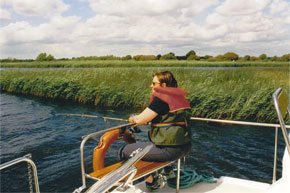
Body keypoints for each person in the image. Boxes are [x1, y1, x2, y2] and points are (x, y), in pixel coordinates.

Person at [118, 71, 192, 191]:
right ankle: (168, 171)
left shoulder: (161, 100)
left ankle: (153, 183)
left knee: (124, 151)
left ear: (163, 86)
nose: (151, 86)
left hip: (169, 151)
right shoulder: (180, 98)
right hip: (185, 147)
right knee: (151, 143)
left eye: (154, 83)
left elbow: (140, 120)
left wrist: (132, 118)